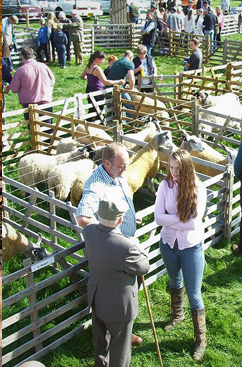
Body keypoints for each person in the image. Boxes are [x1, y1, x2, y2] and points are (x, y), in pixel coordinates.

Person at [76, 142, 145, 348]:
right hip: (112, 249)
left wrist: (131, 217)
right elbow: (82, 217)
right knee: (115, 290)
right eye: (121, 166)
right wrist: (108, 232)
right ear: (107, 163)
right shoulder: (96, 186)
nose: (125, 170)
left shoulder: (117, 174)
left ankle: (122, 330)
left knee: (129, 288)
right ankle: (115, 334)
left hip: (124, 244)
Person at [154, 149, 208, 362]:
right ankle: (177, 315)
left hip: (191, 246)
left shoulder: (198, 187)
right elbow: (158, 218)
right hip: (168, 243)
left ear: (186, 168)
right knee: (174, 281)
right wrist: (180, 219)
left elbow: (195, 223)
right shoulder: (164, 186)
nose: (173, 172)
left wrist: (171, 218)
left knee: (194, 293)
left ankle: (200, 339)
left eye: (177, 168)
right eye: (171, 167)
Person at [85, 198, 150, 367]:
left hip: (97, 299)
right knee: (120, 348)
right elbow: (143, 267)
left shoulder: (89, 231)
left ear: (98, 214)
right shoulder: (126, 247)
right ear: (120, 220)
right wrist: (138, 246)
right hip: (119, 307)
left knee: (100, 343)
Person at [9, 47, 56, 127]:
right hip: (45, 100)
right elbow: (52, 80)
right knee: (48, 128)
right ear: (33, 56)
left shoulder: (21, 70)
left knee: (33, 129)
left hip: (29, 104)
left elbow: (14, 89)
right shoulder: (43, 66)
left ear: (22, 57)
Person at [81, 51, 125, 117]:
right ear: (97, 59)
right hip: (97, 91)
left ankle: (89, 121)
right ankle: (99, 123)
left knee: (92, 107)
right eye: (102, 59)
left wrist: (89, 78)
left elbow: (82, 76)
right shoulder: (97, 69)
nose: (103, 61)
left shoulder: (88, 66)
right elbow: (105, 82)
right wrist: (118, 81)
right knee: (99, 108)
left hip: (89, 89)